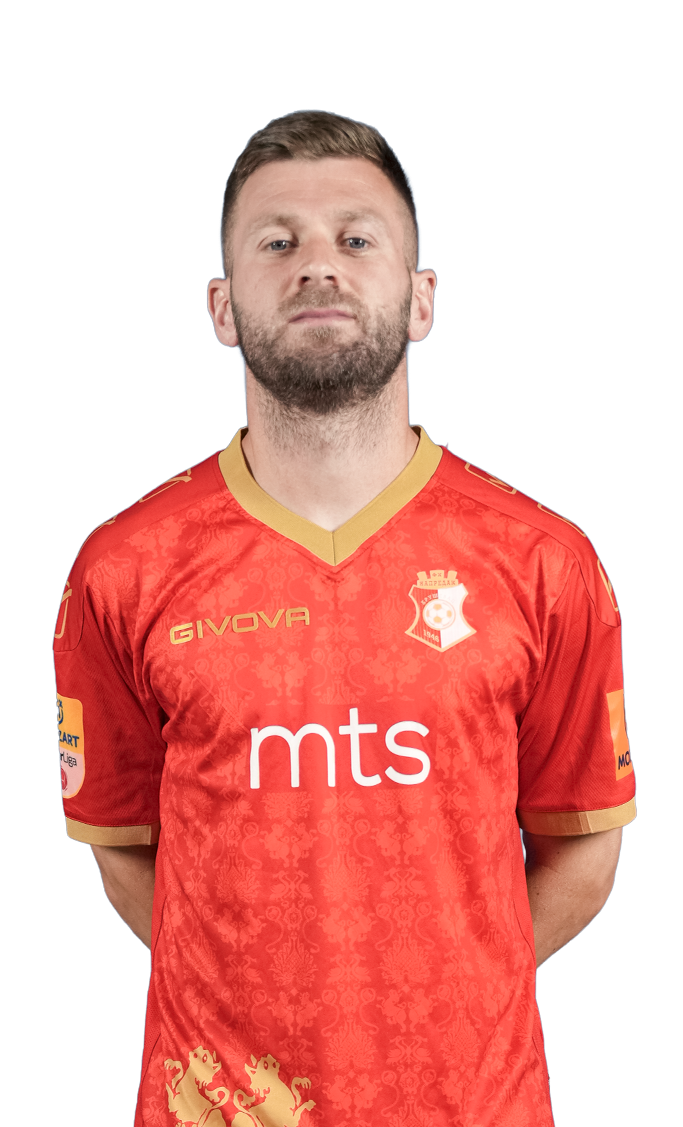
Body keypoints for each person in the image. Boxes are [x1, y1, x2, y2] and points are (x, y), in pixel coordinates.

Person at [54, 112, 636, 1127]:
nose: (317, 264)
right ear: (222, 307)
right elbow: (124, 848)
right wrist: (259, 993)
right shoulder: (122, 570)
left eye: (356, 238)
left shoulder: (543, 561)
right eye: (277, 241)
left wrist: (454, 985)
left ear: (420, 300)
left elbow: (581, 853)